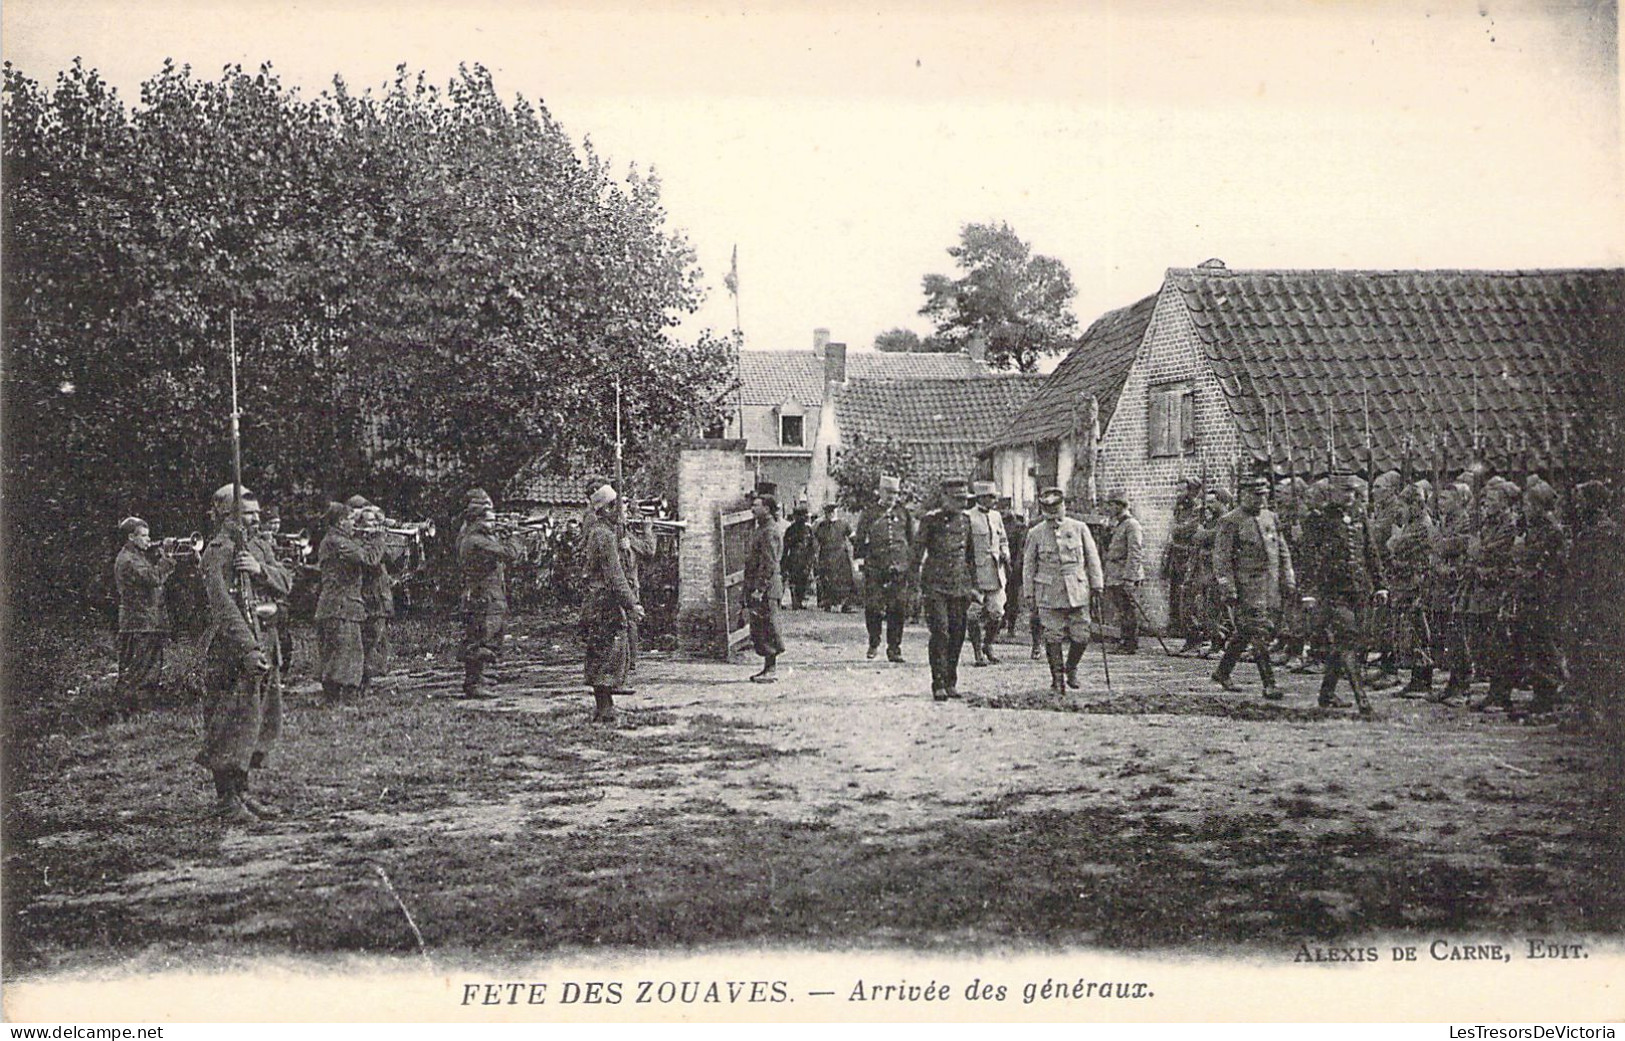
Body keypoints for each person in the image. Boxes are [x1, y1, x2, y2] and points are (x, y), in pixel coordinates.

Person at [195, 484, 276, 823]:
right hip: (232, 649)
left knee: (253, 722)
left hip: (260, 640)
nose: (256, 521)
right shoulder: (217, 551)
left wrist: (260, 570)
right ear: (228, 517)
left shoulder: (256, 548)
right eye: (249, 516)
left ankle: (242, 792)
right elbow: (223, 607)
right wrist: (247, 648)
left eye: (258, 515)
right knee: (229, 722)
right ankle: (226, 800)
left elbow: (285, 580)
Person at [1299, 468, 1387, 715]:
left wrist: (1380, 584)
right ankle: (1363, 700)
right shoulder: (1319, 519)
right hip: (1331, 591)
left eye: (1353, 490)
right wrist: (1308, 592)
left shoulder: (1359, 515)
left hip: (1358, 589)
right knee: (1347, 638)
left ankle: (1326, 695)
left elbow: (1370, 552)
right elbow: (1308, 558)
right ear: (1332, 492)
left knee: (1348, 643)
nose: (1350, 496)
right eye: (1344, 491)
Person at [1210, 474, 1296, 700]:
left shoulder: (1271, 518)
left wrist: (1288, 577)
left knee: (1246, 632)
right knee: (1259, 632)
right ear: (1243, 495)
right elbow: (1221, 559)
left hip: (1270, 587)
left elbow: (1283, 550)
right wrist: (1228, 588)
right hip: (1246, 588)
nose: (1261, 500)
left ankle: (1222, 672)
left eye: (1264, 495)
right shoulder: (1230, 521)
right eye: (1256, 496)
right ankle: (1269, 684)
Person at [1023, 485, 1104, 694]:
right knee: (1053, 636)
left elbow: (1092, 558)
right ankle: (1057, 679)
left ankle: (1071, 667)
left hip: (1077, 590)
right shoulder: (1035, 533)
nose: (1053, 513)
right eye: (1048, 509)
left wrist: (1097, 585)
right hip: (1048, 592)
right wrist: (1029, 593)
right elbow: (1029, 565)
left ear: (1063, 506)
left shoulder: (1079, 528)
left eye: (1056, 508)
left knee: (1082, 636)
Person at [580, 483, 643, 719]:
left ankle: (604, 705)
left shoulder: (603, 532)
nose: (622, 510)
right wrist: (632, 603)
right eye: (617, 506)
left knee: (605, 651)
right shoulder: (603, 535)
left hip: (601, 600)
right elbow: (614, 575)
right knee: (607, 652)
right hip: (604, 602)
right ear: (607, 509)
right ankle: (604, 708)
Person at [314, 501, 385, 701]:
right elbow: (369, 559)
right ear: (340, 521)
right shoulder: (337, 542)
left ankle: (338, 698)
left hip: (343, 605)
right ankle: (340, 699)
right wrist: (379, 537)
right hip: (341, 606)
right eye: (350, 520)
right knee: (344, 654)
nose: (354, 524)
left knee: (345, 653)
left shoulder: (338, 540)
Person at [913, 477, 976, 700]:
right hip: (935, 586)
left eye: (964, 499)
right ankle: (938, 683)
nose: (962, 504)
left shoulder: (966, 521)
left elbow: (970, 557)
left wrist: (974, 586)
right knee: (941, 632)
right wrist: (914, 587)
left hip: (959, 586)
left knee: (958, 634)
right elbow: (917, 553)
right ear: (945, 498)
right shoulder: (931, 521)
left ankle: (951, 681)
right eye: (957, 499)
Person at [457, 499, 522, 701]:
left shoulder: (477, 537)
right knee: (480, 638)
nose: (494, 524)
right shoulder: (475, 540)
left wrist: (500, 535)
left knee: (488, 636)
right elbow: (509, 554)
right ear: (476, 521)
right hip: (482, 595)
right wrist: (514, 535)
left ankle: (480, 677)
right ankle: (473, 683)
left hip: (487, 593)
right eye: (490, 521)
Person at [114, 516, 177, 717]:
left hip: (146, 621)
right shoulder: (129, 560)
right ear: (131, 537)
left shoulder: (138, 557)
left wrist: (161, 558)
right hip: (139, 622)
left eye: (148, 535)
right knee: (139, 670)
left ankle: (135, 711)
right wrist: (167, 557)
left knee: (147, 668)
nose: (148, 540)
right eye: (143, 536)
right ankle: (133, 712)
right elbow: (154, 578)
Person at [854, 474, 914, 662]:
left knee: (898, 609)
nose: (892, 496)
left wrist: (910, 564)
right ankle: (874, 641)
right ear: (880, 492)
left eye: (895, 493)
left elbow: (911, 539)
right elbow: (860, 539)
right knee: (873, 608)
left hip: (899, 568)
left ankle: (894, 648)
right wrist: (859, 560)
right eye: (888, 492)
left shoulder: (904, 513)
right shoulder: (870, 513)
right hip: (875, 567)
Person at [354, 502, 406, 694]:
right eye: (369, 521)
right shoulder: (358, 542)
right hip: (368, 597)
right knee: (368, 641)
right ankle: (362, 683)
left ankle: (370, 680)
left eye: (376, 521)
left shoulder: (376, 541)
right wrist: (378, 540)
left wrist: (394, 537)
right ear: (359, 524)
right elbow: (371, 561)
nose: (374, 525)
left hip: (381, 596)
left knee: (377, 639)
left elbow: (392, 559)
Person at [965, 480, 1009, 667]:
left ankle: (988, 644)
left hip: (996, 574)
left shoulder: (996, 516)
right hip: (976, 575)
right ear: (981, 498)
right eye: (991, 497)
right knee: (973, 615)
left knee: (997, 613)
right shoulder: (967, 517)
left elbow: (1003, 540)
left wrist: (1005, 554)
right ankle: (977, 653)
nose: (994, 500)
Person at [744, 492, 786, 682]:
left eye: (757, 505)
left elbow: (769, 563)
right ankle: (768, 668)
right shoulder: (762, 528)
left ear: (767, 509)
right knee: (761, 627)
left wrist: (760, 588)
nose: (753, 508)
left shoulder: (769, 531)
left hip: (767, 589)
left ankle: (771, 669)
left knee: (768, 626)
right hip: (763, 587)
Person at [1102, 491, 1146, 654]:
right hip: (1115, 575)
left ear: (1120, 506)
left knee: (1128, 610)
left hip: (1125, 575)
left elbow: (1135, 552)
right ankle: (1124, 640)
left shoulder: (1132, 525)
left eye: (1112, 505)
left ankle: (1130, 644)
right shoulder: (1118, 524)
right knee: (1122, 610)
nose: (1109, 508)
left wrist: (1129, 577)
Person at [1166, 477, 1205, 654]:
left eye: (1181, 491)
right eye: (1177, 491)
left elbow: (1188, 529)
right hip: (1177, 558)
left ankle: (1196, 638)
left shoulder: (1198, 509)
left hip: (1191, 558)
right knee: (1178, 599)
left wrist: (1177, 529)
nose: (1178, 495)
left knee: (1191, 599)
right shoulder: (1179, 509)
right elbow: (1173, 531)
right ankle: (1186, 636)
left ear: (1192, 491)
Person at [261, 504, 297, 678]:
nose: (275, 527)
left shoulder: (280, 540)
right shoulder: (262, 542)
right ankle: (277, 675)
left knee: (284, 637)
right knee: (276, 638)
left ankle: (283, 673)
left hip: (283, 595)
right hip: (271, 597)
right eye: (271, 523)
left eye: (277, 522)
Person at [813, 503, 858, 612]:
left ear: (836, 512)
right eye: (828, 512)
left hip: (841, 557)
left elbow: (853, 539)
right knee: (827, 579)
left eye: (832, 512)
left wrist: (859, 550)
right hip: (826, 557)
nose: (831, 514)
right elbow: (816, 541)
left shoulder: (844, 524)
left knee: (844, 580)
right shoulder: (821, 526)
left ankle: (846, 605)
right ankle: (828, 602)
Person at [781, 502, 816, 610]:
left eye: (803, 516)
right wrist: (784, 561)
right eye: (799, 516)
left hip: (805, 558)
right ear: (795, 517)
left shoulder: (808, 530)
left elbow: (812, 545)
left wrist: (811, 558)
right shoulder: (790, 530)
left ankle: (800, 601)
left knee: (804, 580)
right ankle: (795, 601)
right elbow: (786, 546)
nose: (801, 518)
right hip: (794, 558)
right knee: (794, 580)